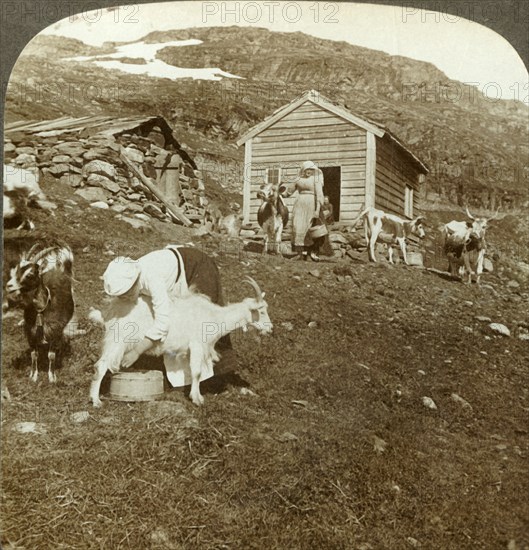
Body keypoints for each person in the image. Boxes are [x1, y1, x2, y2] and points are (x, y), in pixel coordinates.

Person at [102, 245, 238, 390]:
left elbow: (162, 323)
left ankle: (222, 375)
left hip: (197, 268)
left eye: (127, 293)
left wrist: (137, 351)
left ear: (135, 282)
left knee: (206, 324)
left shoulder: (153, 280)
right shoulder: (132, 275)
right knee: (176, 328)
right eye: (121, 295)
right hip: (177, 266)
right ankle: (182, 379)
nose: (125, 298)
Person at [280, 160, 325, 262]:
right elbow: (289, 192)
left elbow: (320, 195)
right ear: (303, 169)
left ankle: (311, 253)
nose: (309, 171)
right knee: (297, 226)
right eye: (307, 169)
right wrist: (279, 194)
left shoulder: (316, 180)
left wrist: (317, 210)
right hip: (299, 205)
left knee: (310, 229)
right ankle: (300, 253)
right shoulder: (298, 179)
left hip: (311, 205)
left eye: (311, 169)